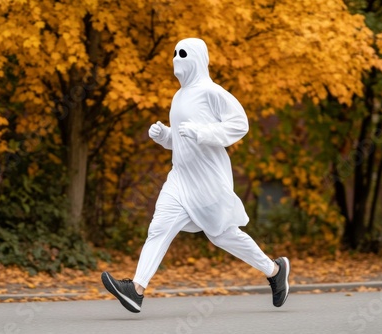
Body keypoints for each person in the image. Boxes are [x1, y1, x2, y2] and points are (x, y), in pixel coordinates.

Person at [101, 38, 290, 313]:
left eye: (183, 53)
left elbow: (240, 124)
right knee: (159, 227)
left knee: (223, 236)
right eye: (174, 53)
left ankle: (274, 270)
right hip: (180, 178)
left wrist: (204, 133)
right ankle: (136, 290)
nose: (177, 58)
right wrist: (165, 135)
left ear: (198, 57)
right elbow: (181, 139)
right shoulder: (179, 96)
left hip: (208, 182)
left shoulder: (211, 92)